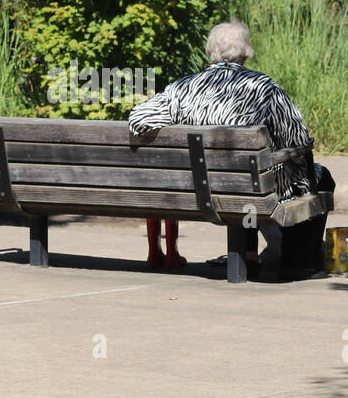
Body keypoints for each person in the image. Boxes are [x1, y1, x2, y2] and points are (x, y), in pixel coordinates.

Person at [127, 20, 334, 276]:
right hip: (250, 187)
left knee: (245, 173)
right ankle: (297, 261)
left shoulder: (181, 89)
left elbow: (138, 118)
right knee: (317, 177)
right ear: (246, 51)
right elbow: (297, 139)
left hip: (202, 189)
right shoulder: (264, 88)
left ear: (210, 52)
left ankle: (248, 255)